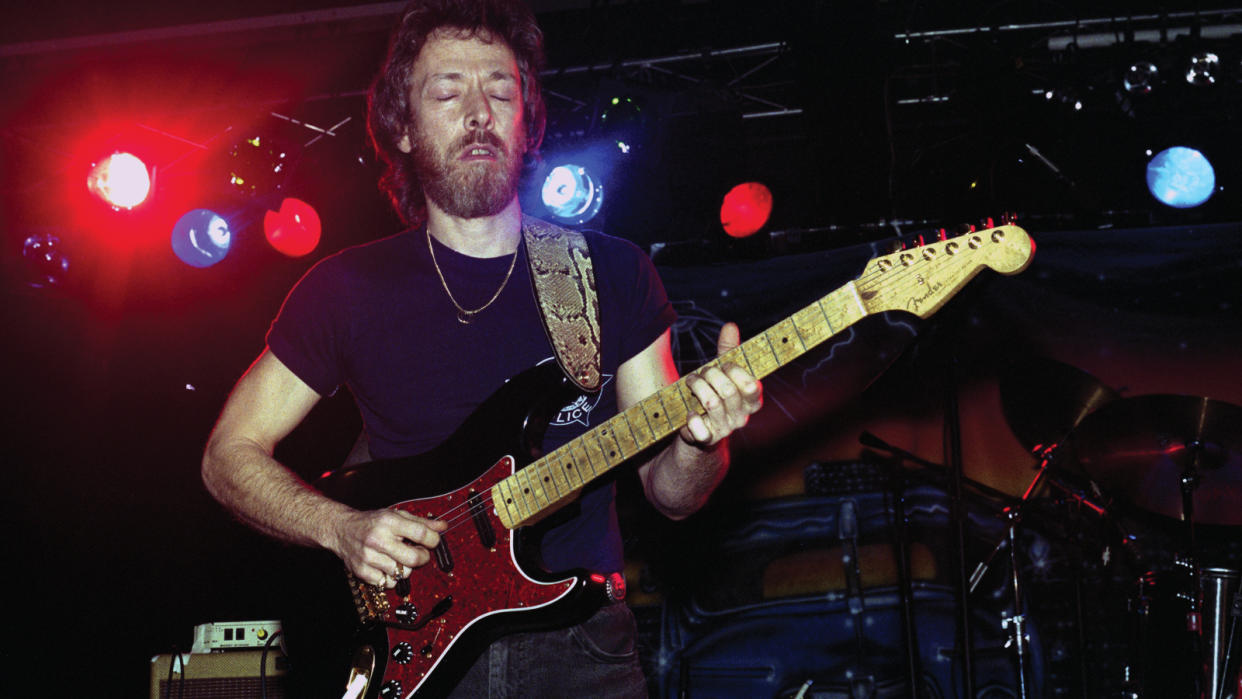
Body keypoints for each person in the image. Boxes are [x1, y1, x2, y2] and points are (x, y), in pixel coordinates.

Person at [200, 0, 762, 696]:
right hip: (419, 652)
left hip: (581, 649)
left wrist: (701, 441)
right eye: (447, 91)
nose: (478, 113)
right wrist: (340, 528)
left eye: (501, 90)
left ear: (528, 123)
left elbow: (673, 496)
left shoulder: (611, 272)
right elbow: (228, 454)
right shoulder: (344, 288)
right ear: (401, 127)